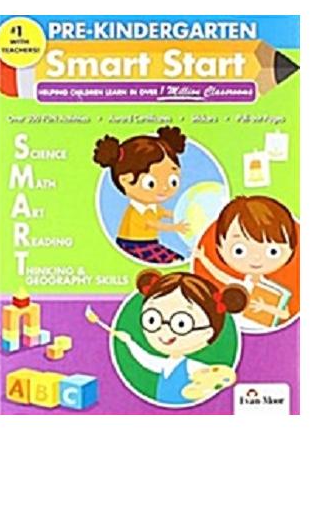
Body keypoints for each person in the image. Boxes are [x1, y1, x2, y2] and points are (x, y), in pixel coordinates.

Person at [116, 270, 247, 405]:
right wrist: (129, 341)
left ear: (208, 332)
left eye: (181, 324)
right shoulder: (166, 364)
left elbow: (216, 376)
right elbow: (147, 360)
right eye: (152, 320)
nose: (164, 331)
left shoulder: (192, 367)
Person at [93, 127, 190, 264]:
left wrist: (184, 213)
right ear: (126, 180)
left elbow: (164, 213)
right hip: (133, 245)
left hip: (150, 243)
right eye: (151, 183)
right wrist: (175, 227)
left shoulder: (152, 207)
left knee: (174, 259)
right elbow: (153, 224)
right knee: (174, 260)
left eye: (173, 181)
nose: (165, 189)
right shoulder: (136, 212)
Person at [194, 195, 297, 323]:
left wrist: (264, 307)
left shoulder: (275, 291)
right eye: (239, 250)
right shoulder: (242, 286)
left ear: (291, 249)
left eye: (273, 251)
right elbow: (220, 275)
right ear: (220, 247)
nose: (256, 258)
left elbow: (285, 314)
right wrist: (203, 258)